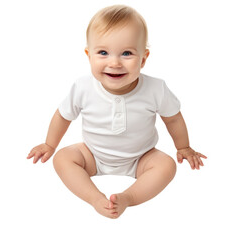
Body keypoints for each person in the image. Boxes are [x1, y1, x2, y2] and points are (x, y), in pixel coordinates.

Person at [27, 5, 207, 219]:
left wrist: (183, 147)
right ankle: (95, 198)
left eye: (127, 53)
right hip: (92, 155)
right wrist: (50, 144)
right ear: (88, 55)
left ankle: (128, 198)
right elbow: (62, 116)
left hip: (142, 157)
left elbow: (174, 119)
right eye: (103, 52)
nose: (114, 63)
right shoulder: (83, 87)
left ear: (143, 58)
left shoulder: (156, 89)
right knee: (62, 159)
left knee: (166, 166)